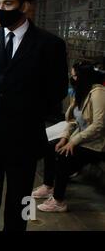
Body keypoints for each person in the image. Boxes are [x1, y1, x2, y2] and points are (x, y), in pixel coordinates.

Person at [0, 0, 68, 231]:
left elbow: (57, 92)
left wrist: (50, 129)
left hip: (25, 139)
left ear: (25, 5)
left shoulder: (50, 45)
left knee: (19, 202)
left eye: (8, 4)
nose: (1, 9)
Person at [35, 62, 105, 212]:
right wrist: (64, 138)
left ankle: (59, 201)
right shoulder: (81, 91)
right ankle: (48, 186)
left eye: (73, 76)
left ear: (82, 77)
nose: (71, 78)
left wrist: (73, 141)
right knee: (50, 147)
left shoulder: (98, 93)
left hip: (96, 144)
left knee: (64, 156)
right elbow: (73, 121)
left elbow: (99, 125)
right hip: (81, 138)